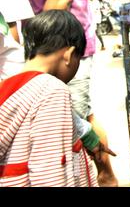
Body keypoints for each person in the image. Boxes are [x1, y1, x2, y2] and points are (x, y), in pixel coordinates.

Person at [0, 0, 118, 186]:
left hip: (61, 42)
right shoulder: (51, 90)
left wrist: (37, 60)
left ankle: (103, 175)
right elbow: (48, 172)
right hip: (56, 49)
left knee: (78, 117)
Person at [0, 10, 98, 187]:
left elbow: (70, 152)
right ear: (69, 54)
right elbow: (50, 171)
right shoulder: (52, 90)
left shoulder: (10, 86)